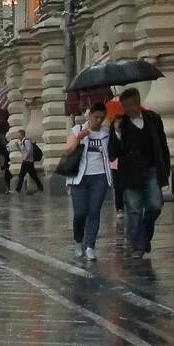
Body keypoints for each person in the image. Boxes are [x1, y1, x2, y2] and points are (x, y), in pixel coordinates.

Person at [108, 88, 173, 255]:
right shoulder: (119, 124)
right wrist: (117, 133)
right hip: (130, 174)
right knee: (135, 210)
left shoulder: (153, 119)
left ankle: (143, 237)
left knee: (155, 206)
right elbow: (112, 153)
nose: (129, 109)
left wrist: (166, 168)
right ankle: (138, 246)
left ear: (138, 102)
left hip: (151, 170)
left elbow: (162, 145)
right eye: (125, 106)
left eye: (131, 105)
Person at [61, 106, 114, 263]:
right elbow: (67, 150)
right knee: (80, 212)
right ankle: (78, 240)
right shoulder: (77, 129)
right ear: (89, 115)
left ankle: (90, 246)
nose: (98, 121)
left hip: (100, 177)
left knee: (94, 211)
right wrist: (79, 137)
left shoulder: (106, 133)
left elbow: (113, 152)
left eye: (101, 118)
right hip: (79, 178)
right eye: (96, 117)